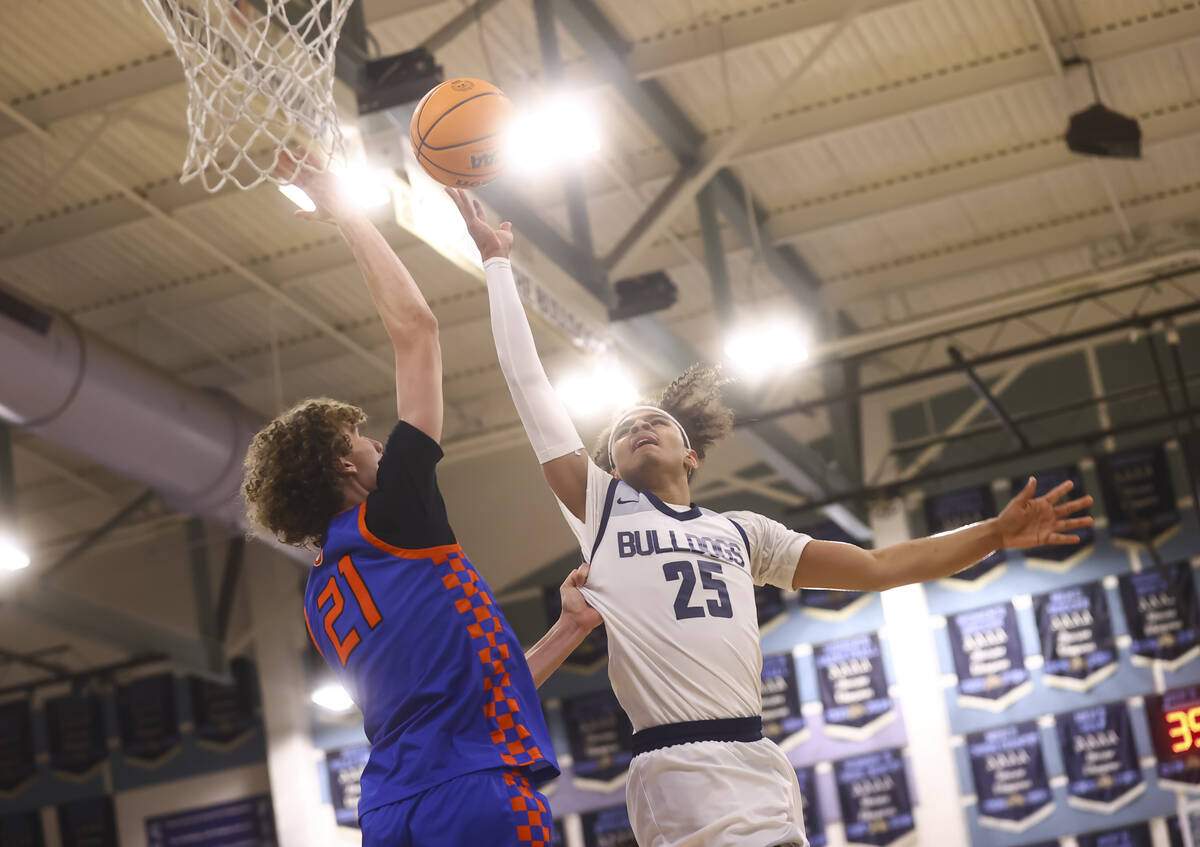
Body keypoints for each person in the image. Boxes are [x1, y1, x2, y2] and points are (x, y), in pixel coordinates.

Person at [447, 187, 1095, 847]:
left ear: (691, 454)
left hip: (758, 755)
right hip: (676, 763)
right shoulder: (604, 508)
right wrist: (498, 265)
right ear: (609, 466)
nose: (640, 425)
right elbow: (530, 387)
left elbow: (878, 566)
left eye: (655, 421)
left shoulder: (743, 532)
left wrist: (994, 533)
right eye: (624, 428)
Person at [241, 160, 601, 847]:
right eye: (362, 438)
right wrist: (347, 214)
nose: (379, 443)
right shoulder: (396, 518)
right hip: (474, 792)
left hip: (388, 811)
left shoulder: (320, 595)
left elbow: (464, 698)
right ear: (345, 464)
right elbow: (417, 329)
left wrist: (569, 628)